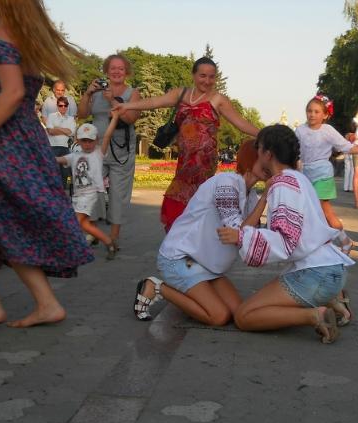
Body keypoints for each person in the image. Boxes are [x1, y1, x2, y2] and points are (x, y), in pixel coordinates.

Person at [0, 0, 94, 330]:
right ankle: (46, 303)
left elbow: (11, 93)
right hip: (23, 136)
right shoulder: (28, 38)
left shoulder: (2, 36)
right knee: (3, 219)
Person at [217, 125, 354, 344]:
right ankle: (328, 301)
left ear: (268, 154)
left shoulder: (283, 185)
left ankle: (315, 315)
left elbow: (286, 241)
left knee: (244, 316)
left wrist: (241, 237)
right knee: (257, 307)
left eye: (259, 148)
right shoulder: (298, 179)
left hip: (315, 274)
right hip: (328, 269)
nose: (257, 153)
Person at [115, 57, 260, 233]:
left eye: (212, 77)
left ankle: (193, 240)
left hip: (204, 165)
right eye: (202, 76)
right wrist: (128, 106)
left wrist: (265, 134)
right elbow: (154, 102)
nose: (207, 81)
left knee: (199, 204)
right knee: (178, 204)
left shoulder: (218, 99)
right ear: (193, 75)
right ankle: (178, 240)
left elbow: (240, 123)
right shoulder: (181, 94)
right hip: (184, 163)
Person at [132, 140, 268, 326]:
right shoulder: (227, 184)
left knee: (239, 313)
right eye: (264, 158)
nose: (269, 164)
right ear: (250, 160)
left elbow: (254, 236)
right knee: (219, 316)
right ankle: (156, 287)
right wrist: (266, 197)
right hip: (181, 258)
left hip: (207, 264)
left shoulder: (251, 195)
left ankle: (192, 294)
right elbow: (239, 232)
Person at [78, 54, 142, 248]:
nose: (116, 72)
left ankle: (113, 238)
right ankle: (92, 231)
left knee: (118, 195)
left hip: (122, 151)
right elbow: (82, 114)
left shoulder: (133, 93)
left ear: (126, 72)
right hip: (96, 149)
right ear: (106, 71)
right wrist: (88, 94)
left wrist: (113, 100)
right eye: (112, 68)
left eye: (120, 68)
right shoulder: (97, 92)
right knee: (90, 188)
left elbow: (130, 118)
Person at [294, 95, 358, 254]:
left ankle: (343, 241)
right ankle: (326, 243)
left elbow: (347, 147)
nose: (312, 114)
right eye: (309, 111)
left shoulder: (327, 131)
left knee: (324, 210)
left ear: (325, 115)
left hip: (323, 175)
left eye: (316, 112)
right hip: (306, 175)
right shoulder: (300, 130)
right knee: (311, 212)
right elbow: (294, 152)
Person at [55, 121, 119, 260]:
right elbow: (57, 160)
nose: (87, 144)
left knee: (73, 222)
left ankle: (66, 251)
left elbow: (107, 136)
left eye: (90, 141)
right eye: (84, 140)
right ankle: (109, 243)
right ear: (78, 140)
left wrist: (114, 118)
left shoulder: (98, 153)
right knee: (85, 225)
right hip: (78, 196)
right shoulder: (74, 156)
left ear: (96, 140)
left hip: (91, 194)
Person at [46, 96, 76, 189]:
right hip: (53, 147)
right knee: (53, 171)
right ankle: (53, 190)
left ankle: (66, 190)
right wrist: (65, 131)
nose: (63, 107)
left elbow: (71, 132)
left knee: (66, 173)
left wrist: (57, 128)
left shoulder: (71, 119)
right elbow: (50, 131)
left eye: (65, 105)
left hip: (65, 147)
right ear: (57, 106)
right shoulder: (51, 116)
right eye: (61, 105)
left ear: (67, 106)